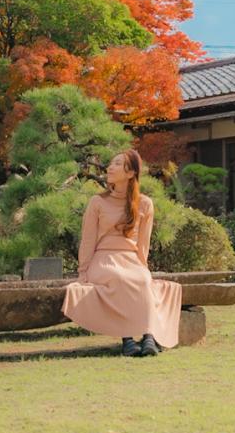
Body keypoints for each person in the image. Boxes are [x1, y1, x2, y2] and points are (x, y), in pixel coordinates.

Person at [62, 149, 182, 356]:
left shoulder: (145, 203)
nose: (109, 167)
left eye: (117, 164)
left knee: (142, 281)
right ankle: (127, 340)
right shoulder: (97, 202)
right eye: (111, 164)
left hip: (131, 259)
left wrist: (143, 268)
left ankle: (149, 338)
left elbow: (143, 243)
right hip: (103, 259)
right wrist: (83, 271)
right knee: (119, 278)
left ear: (130, 173)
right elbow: (88, 239)